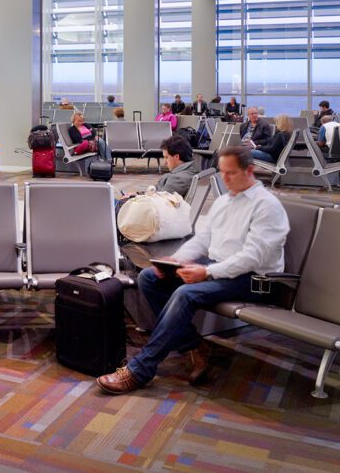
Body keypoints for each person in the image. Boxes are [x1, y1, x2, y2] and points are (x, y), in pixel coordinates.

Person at [96, 146, 288, 394]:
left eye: (231, 173)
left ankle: (140, 369)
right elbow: (203, 239)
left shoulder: (266, 206)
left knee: (186, 293)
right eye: (222, 173)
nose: (225, 179)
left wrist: (206, 273)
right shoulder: (225, 201)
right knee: (149, 278)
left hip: (255, 279)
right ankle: (193, 344)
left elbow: (253, 257)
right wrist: (176, 260)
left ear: (249, 171)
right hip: (221, 268)